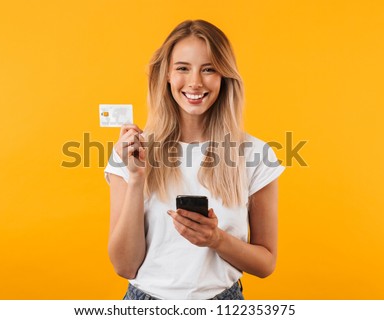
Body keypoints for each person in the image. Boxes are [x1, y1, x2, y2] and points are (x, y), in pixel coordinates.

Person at [104, 19, 285, 300]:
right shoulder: (130, 153)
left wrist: (216, 240)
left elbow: (265, 264)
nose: (195, 83)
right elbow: (124, 266)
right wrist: (137, 179)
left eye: (209, 69)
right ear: (166, 75)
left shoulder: (256, 154)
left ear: (224, 77)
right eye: (182, 68)